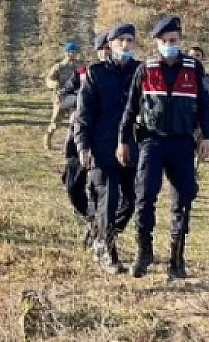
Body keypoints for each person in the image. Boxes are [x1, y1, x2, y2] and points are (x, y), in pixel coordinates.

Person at [119, 15, 209, 279]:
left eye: (174, 40)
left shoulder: (193, 68)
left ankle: (176, 258)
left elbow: (205, 106)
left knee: (183, 200)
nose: (170, 44)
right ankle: (143, 252)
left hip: (182, 143)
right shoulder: (145, 69)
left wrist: (206, 136)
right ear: (157, 42)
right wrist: (123, 140)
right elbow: (130, 108)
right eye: (164, 41)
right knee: (144, 196)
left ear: (179, 40)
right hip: (152, 141)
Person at [74, 24, 141, 274]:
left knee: (132, 201)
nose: (125, 45)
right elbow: (83, 114)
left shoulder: (141, 71)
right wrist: (83, 145)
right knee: (108, 199)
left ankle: (102, 234)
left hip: (133, 149)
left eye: (130, 40)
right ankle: (107, 252)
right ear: (110, 45)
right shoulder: (96, 73)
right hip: (102, 148)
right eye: (120, 40)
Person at [61, 31, 113, 248]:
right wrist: (82, 99)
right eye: (104, 49)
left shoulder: (125, 74)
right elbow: (64, 97)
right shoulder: (83, 72)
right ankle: (90, 217)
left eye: (111, 48)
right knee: (71, 182)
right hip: (78, 136)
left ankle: (101, 232)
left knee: (100, 188)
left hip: (105, 139)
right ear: (98, 51)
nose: (108, 53)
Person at [45, 41, 83, 149]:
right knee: (56, 123)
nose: (74, 54)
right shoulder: (59, 67)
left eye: (75, 52)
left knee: (74, 121)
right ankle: (48, 137)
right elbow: (48, 80)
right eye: (72, 51)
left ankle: (71, 143)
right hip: (60, 99)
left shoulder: (79, 66)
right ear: (66, 53)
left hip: (74, 98)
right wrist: (54, 84)